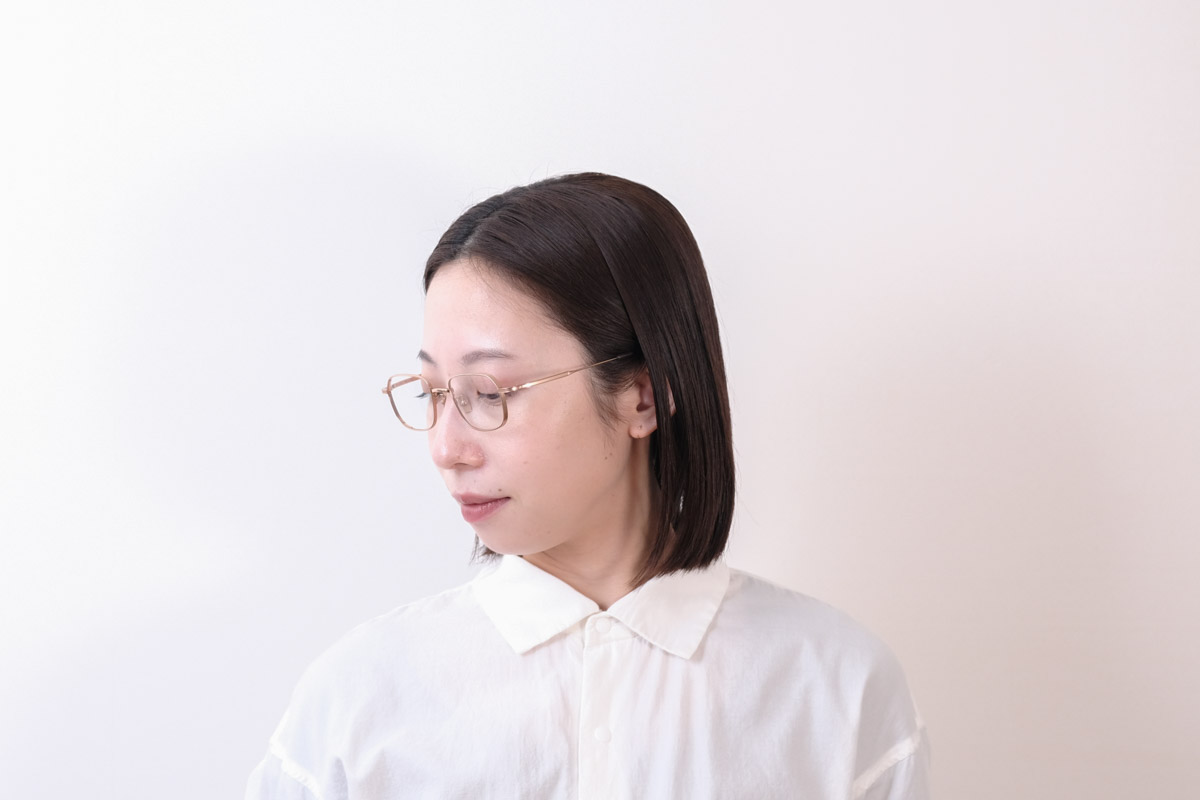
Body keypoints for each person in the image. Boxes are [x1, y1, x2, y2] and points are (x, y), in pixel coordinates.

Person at [245, 173, 930, 799]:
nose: (446, 449)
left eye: (490, 392)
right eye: (431, 393)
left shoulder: (837, 690)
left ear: (643, 396)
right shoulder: (359, 702)